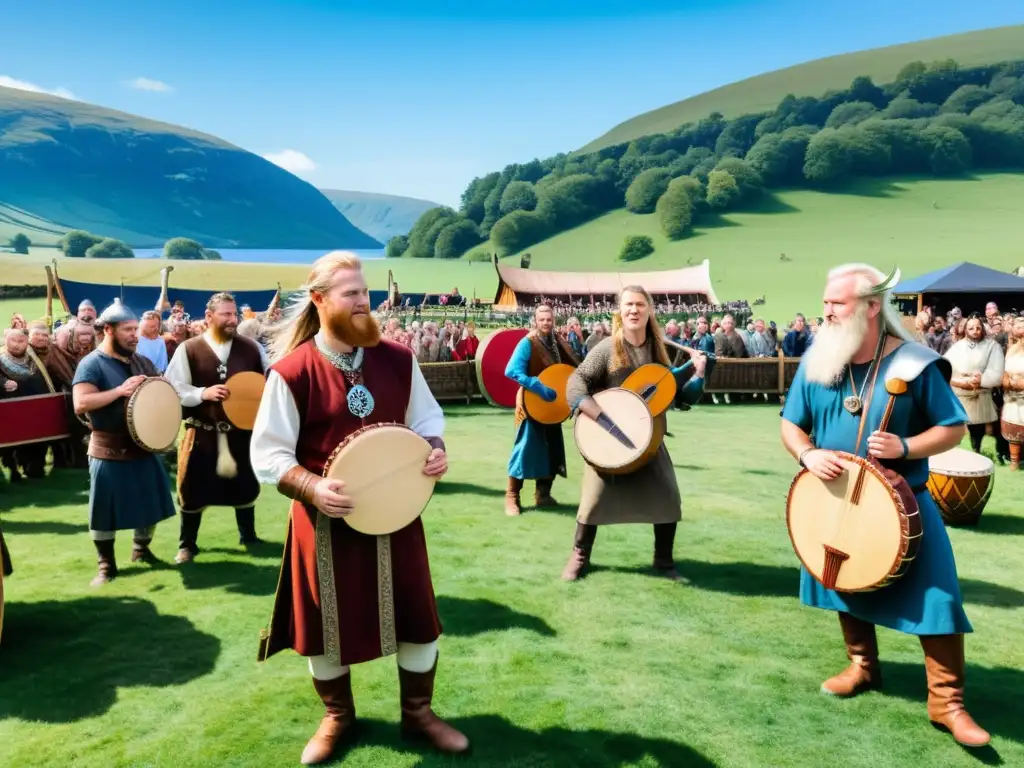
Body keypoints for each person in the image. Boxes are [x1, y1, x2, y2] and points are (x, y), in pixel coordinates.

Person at [250, 252, 469, 765]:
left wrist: (433, 449)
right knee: (326, 625)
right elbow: (269, 452)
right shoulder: (292, 372)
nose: (362, 301)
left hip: (397, 514)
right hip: (323, 522)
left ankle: (418, 713)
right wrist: (310, 487)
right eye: (350, 293)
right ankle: (338, 717)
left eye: (364, 292)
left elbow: (426, 419)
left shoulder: (397, 359)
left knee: (415, 614)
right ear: (321, 300)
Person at [780, 263, 989, 748]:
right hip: (834, 500)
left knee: (936, 598)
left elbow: (953, 426)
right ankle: (863, 666)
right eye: (826, 301)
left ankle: (948, 702)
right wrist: (807, 454)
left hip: (904, 503)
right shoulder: (820, 360)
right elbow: (791, 424)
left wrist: (907, 448)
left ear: (873, 307)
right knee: (844, 580)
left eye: (838, 303)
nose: (826, 310)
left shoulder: (913, 363)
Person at [561, 285, 707, 582]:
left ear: (649, 310)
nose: (634, 310)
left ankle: (664, 562)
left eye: (640, 304)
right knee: (592, 503)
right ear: (620, 311)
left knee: (667, 497)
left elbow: (679, 397)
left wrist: (700, 374)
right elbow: (577, 382)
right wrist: (599, 416)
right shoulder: (606, 349)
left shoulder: (660, 351)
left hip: (650, 440)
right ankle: (579, 557)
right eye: (628, 304)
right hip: (610, 441)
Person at [72, 300, 177, 586]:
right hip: (109, 449)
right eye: (128, 330)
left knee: (150, 502)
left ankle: (141, 550)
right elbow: (80, 403)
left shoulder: (139, 360)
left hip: (143, 446)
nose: (135, 335)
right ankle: (105, 565)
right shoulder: (91, 364)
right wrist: (119, 391)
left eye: (135, 330)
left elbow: (160, 386)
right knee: (104, 510)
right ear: (108, 330)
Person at [164, 293, 267, 564]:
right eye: (226, 314)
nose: (233, 320)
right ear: (209, 317)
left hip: (241, 433)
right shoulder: (189, 349)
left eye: (234, 314)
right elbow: (172, 386)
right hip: (201, 432)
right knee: (191, 485)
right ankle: (187, 545)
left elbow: (269, 383)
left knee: (244, 483)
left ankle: (249, 536)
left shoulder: (252, 348)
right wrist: (202, 393)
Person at [503, 305, 579, 516]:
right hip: (532, 403)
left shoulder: (557, 341)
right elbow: (511, 371)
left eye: (549, 319)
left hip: (553, 406)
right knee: (525, 448)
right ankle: (512, 496)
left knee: (552, 450)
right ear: (535, 321)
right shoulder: (527, 342)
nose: (546, 323)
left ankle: (542, 494)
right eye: (542, 319)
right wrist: (537, 386)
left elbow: (573, 365)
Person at [944, 313, 1005, 457]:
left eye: (978, 327)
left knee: (979, 429)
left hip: (981, 394)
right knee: (959, 428)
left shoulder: (992, 346)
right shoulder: (958, 346)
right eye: (971, 328)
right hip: (960, 393)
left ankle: (984, 452)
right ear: (965, 330)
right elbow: (945, 367)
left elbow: (997, 372)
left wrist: (981, 379)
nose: (975, 331)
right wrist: (958, 381)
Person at [1001, 316, 1024, 470]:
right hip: (1012, 396)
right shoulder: (1012, 348)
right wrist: (1006, 381)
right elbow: (1005, 369)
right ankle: (1014, 461)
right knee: (1012, 425)